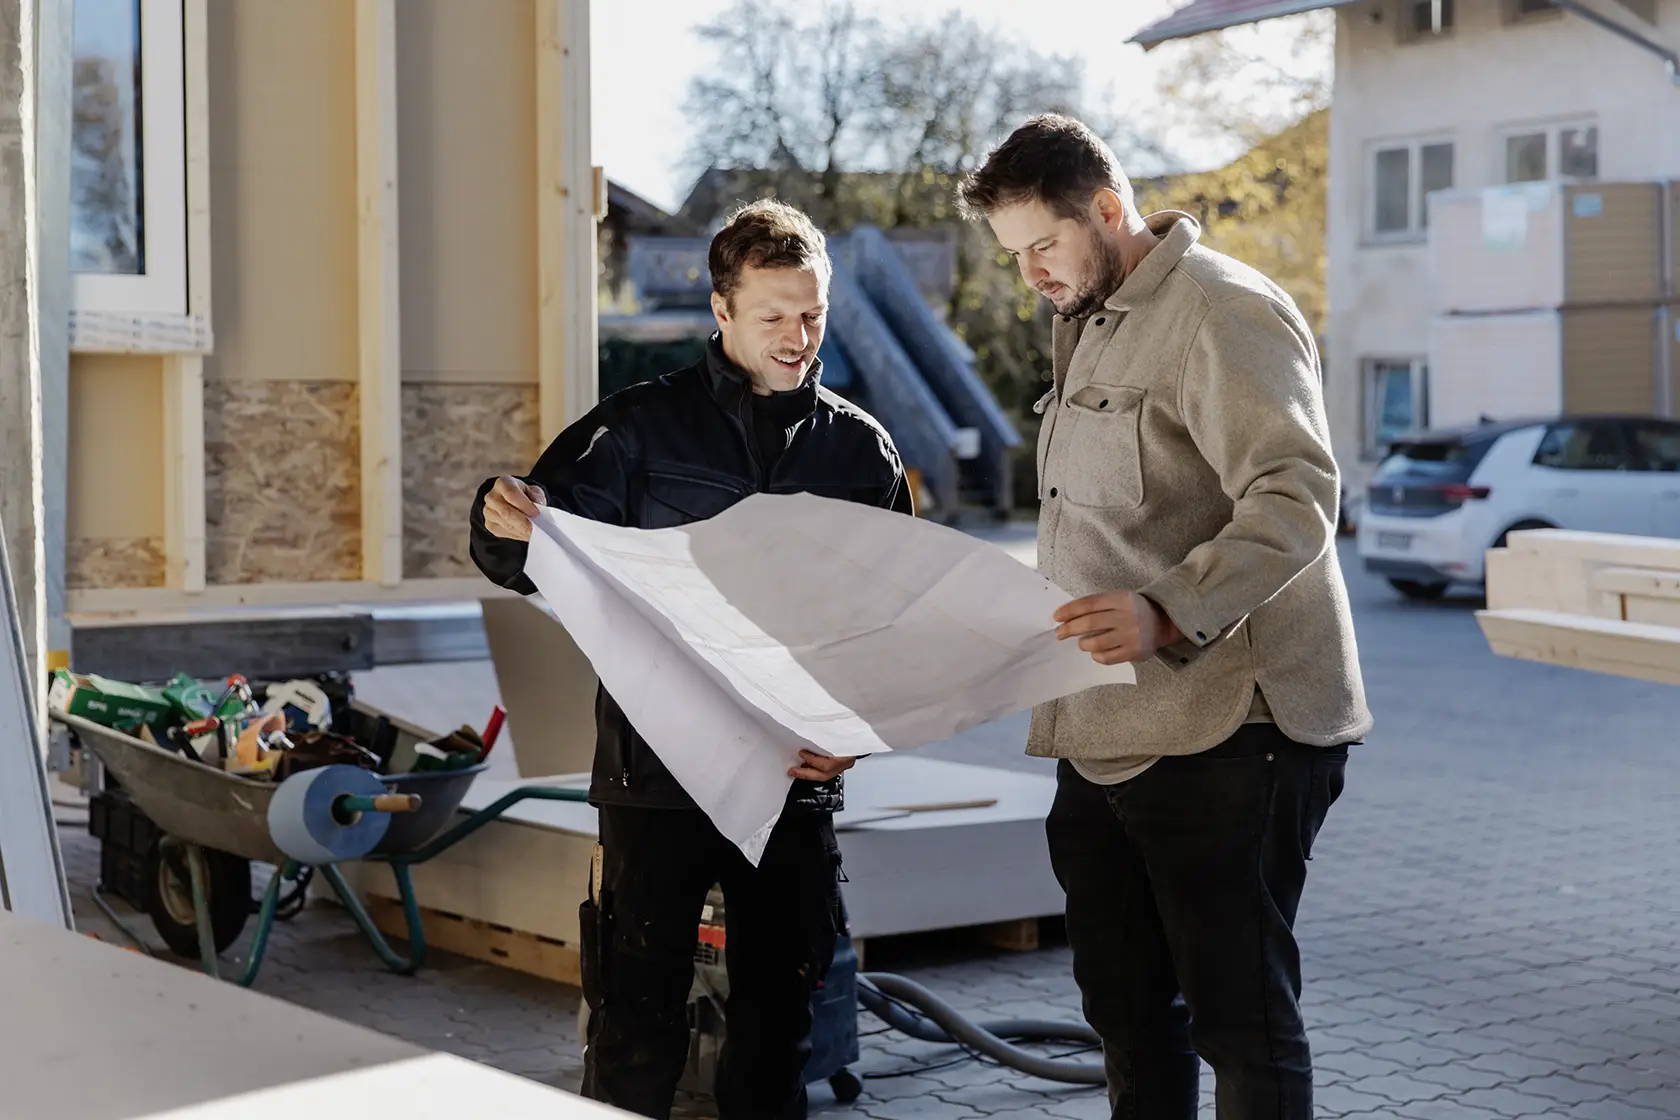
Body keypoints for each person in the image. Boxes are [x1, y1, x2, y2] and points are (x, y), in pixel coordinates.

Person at [957, 114, 1372, 1120]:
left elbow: (1298, 496)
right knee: (1129, 1016)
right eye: (1015, 257)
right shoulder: (1089, 325)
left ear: (1108, 209)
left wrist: (1165, 610)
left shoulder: (1222, 311)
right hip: (1103, 735)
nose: (1033, 276)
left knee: (1240, 1025)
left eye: (1043, 246)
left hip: (1233, 732)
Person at [468, 199, 912, 1119]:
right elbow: (524, 554)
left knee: (777, 1030)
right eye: (774, 316)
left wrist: (860, 735)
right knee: (635, 1022)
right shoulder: (634, 430)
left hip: (793, 778)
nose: (799, 337)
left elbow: (892, 624)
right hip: (653, 774)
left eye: (813, 313)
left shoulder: (859, 450)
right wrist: (500, 514)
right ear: (720, 309)